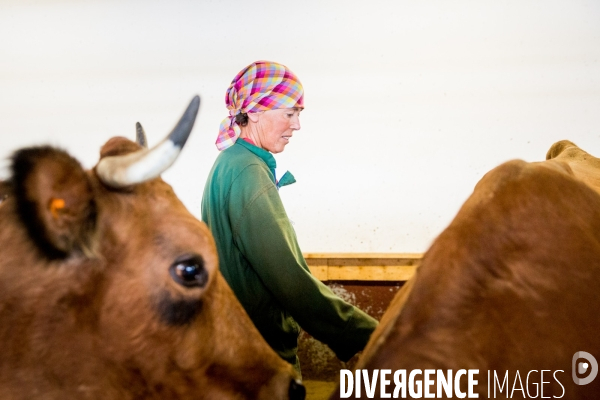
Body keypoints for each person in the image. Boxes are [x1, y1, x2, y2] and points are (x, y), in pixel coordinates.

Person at [201, 61, 378, 375]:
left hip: (236, 346)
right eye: (290, 113)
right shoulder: (248, 172)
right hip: (261, 358)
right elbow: (289, 279)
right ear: (254, 111)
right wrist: (369, 333)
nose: (297, 126)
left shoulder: (231, 162)